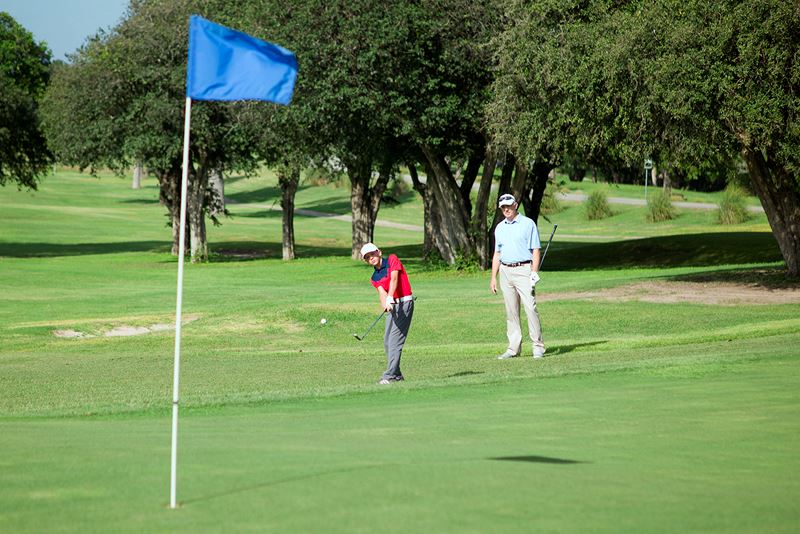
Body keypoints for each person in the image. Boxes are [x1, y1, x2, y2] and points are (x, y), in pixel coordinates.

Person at [489, 193, 546, 359]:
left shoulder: (528, 224)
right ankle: (513, 348)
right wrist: (493, 277)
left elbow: (536, 250)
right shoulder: (500, 228)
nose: (506, 209)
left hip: (524, 270)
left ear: (515, 205)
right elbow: (497, 254)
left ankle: (538, 347)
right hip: (505, 272)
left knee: (530, 308)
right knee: (511, 312)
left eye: (508, 205)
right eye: (503, 207)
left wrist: (534, 272)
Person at [359, 242, 415, 384]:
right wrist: (385, 304)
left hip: (404, 303)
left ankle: (389, 375)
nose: (371, 258)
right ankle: (397, 375)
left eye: (372, 254)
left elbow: (394, 279)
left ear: (379, 252)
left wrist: (390, 297)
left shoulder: (392, 259)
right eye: (367, 257)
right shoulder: (374, 277)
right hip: (393, 306)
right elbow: (381, 292)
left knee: (394, 341)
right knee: (387, 341)